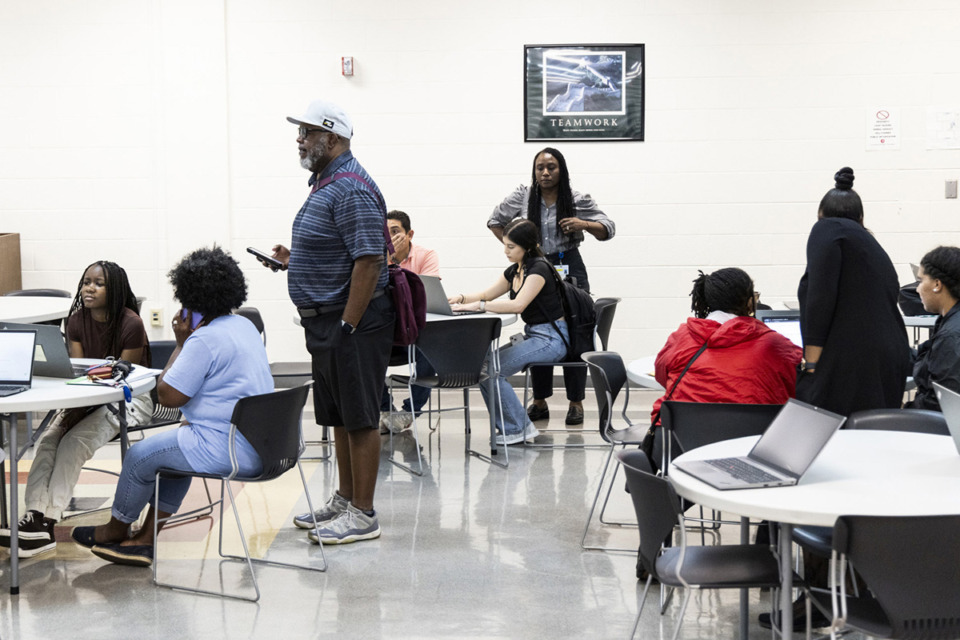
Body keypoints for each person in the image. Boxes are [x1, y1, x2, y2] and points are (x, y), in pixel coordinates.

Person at [69, 246, 273, 567]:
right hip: (267, 445)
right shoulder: (244, 325)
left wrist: (180, 344)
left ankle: (116, 527)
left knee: (140, 456)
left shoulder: (203, 340)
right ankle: (145, 541)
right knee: (176, 453)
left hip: (230, 450)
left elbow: (166, 396)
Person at [269, 99, 394, 545]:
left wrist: (347, 325)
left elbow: (368, 261)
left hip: (351, 322)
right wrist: (293, 261)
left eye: (307, 133)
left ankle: (364, 514)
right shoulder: (325, 183)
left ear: (334, 138)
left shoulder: (351, 188)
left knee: (360, 417)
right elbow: (340, 251)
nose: (299, 140)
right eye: (299, 133)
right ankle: (345, 499)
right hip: (329, 321)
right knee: (339, 415)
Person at [0, 261, 153, 558]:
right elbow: (80, 373)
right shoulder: (76, 321)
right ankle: (33, 516)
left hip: (128, 398)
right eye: (86, 282)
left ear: (115, 289)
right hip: (86, 397)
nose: (88, 289)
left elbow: (124, 379)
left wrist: (79, 408)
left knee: (73, 443)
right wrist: (73, 408)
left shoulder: (130, 323)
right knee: (47, 441)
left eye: (98, 283)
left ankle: (48, 520)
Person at [488, 147, 615, 427]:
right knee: (539, 329)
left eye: (552, 167)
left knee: (574, 332)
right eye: (540, 168)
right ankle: (540, 401)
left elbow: (609, 228)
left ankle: (576, 403)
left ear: (562, 170)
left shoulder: (577, 198)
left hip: (569, 266)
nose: (545, 173)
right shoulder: (522, 197)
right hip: (537, 267)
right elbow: (494, 221)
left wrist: (583, 223)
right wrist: (520, 248)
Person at [651, 268, 802, 461]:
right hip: (753, 452)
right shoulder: (775, 345)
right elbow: (801, 386)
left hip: (681, 450)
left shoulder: (682, 337)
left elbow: (662, 376)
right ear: (750, 302)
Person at [796, 167, 910, 416]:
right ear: (860, 217)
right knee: (872, 434)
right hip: (890, 355)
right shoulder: (869, 244)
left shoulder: (826, 229)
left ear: (820, 213)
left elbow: (820, 297)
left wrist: (812, 365)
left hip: (855, 357)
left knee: (834, 435)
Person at [450, 218, 569, 445]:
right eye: (504, 245)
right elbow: (488, 293)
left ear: (527, 246)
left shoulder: (539, 269)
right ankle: (512, 427)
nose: (505, 251)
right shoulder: (515, 271)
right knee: (485, 366)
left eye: (511, 246)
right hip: (535, 334)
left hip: (552, 339)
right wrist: (461, 298)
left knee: (491, 369)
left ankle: (518, 428)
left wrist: (479, 306)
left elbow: (518, 305)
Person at [379, 209, 439, 434]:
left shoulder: (426, 255)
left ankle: (409, 412)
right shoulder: (375, 256)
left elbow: (426, 296)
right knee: (364, 352)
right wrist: (389, 260)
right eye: (386, 232)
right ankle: (385, 410)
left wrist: (394, 263)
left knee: (429, 351)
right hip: (387, 335)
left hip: (413, 336)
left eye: (396, 232)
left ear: (409, 234)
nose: (390, 237)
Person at [905, 246, 960, 410]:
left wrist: (904, 410)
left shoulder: (951, 335)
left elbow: (941, 403)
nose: (917, 289)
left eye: (921, 281)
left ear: (937, 284)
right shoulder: (949, 322)